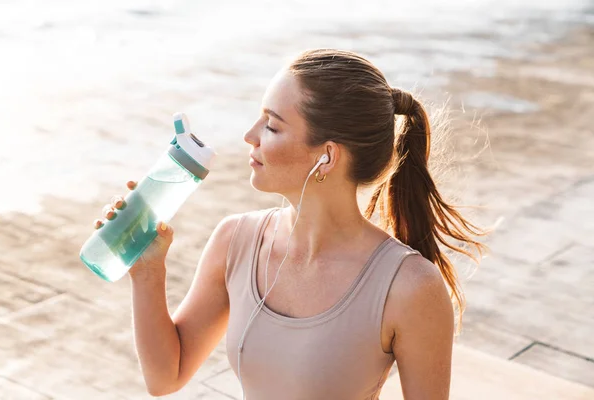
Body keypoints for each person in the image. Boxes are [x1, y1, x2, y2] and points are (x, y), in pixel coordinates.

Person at [95, 49, 487, 399]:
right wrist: (148, 272)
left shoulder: (409, 287)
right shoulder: (235, 241)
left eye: (272, 125)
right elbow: (166, 378)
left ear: (327, 157)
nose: (249, 136)